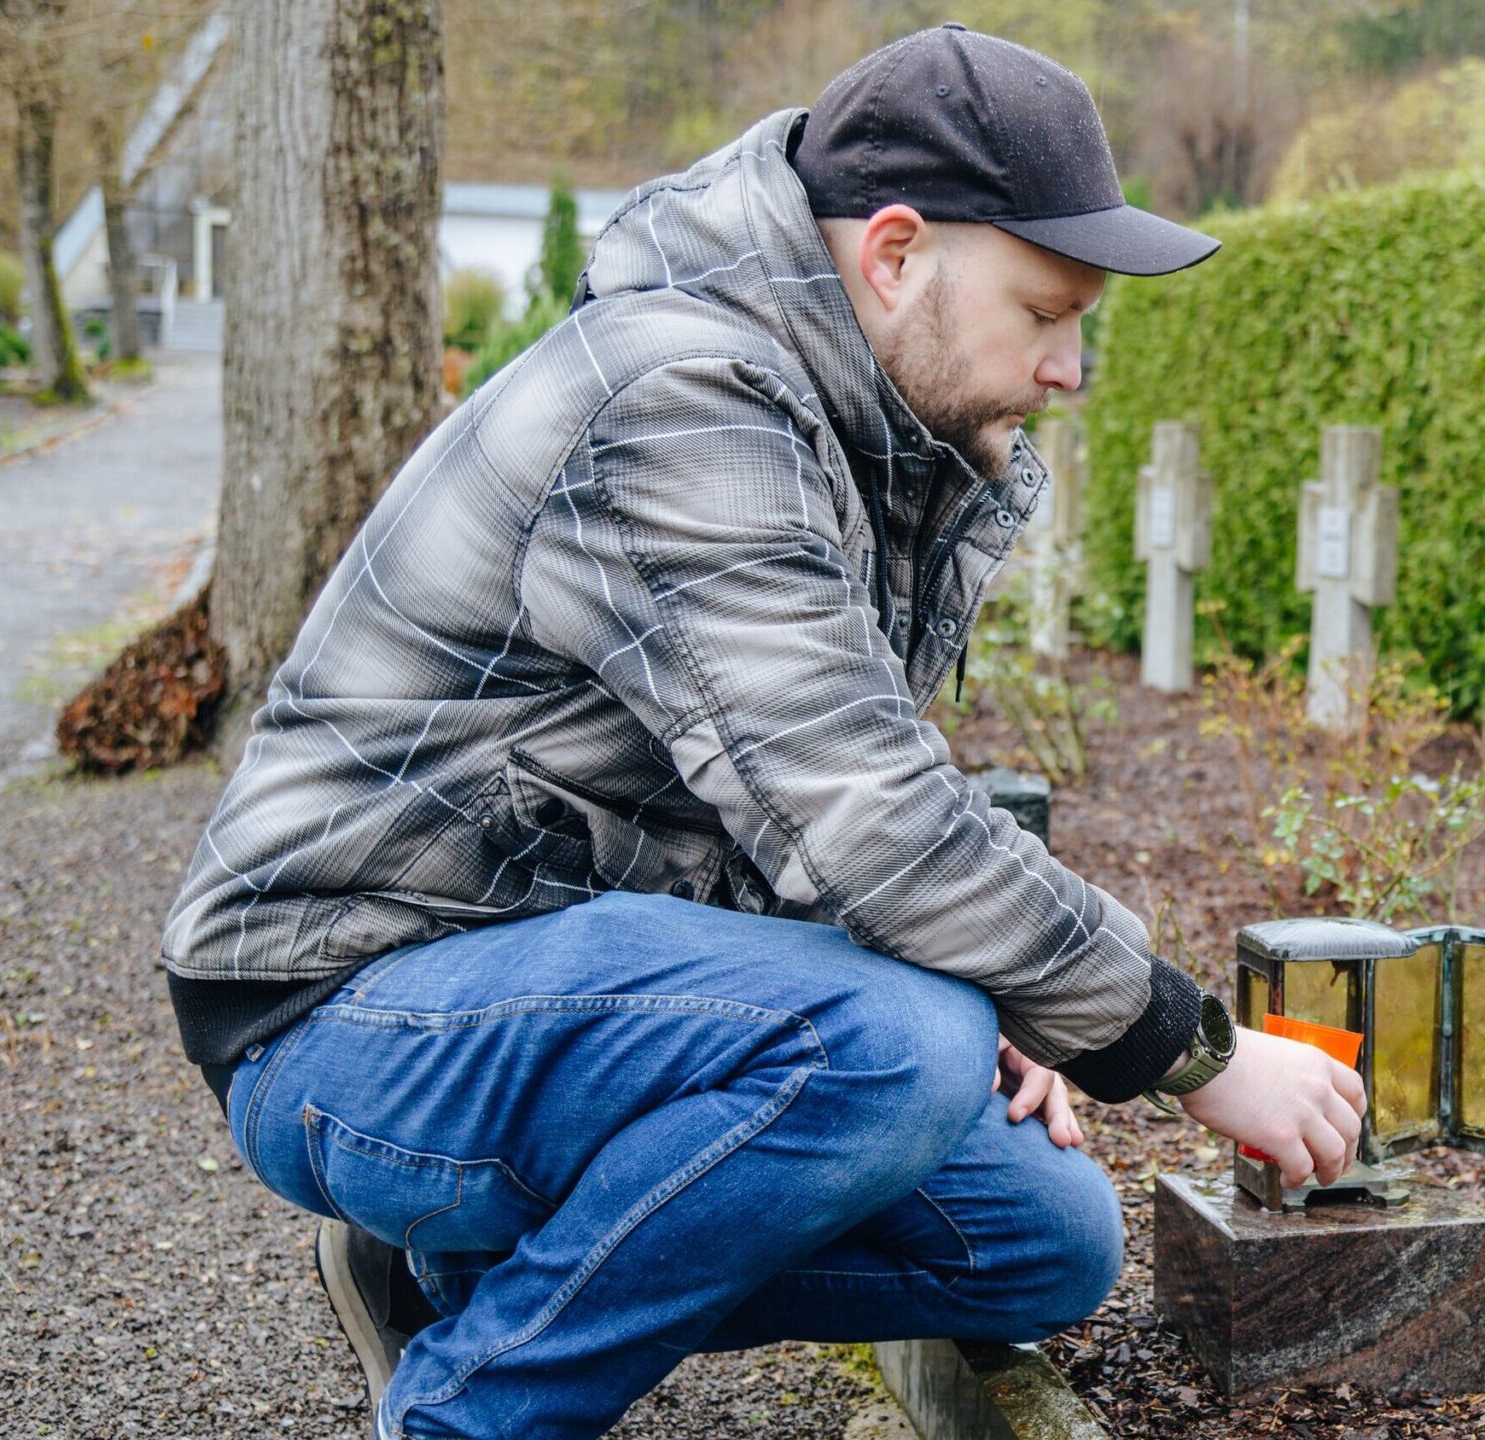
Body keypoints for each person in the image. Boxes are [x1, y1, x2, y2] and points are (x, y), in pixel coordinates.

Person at [161, 25, 1365, 1440]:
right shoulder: (684, 400)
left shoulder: (854, 421)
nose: (1070, 370)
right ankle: (469, 1411)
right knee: (901, 1043)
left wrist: (1017, 988)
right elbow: (871, 824)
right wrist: (1197, 1052)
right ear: (898, 252)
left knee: (1043, 1241)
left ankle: (455, 1271)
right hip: (346, 1006)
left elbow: (814, 795)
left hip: (560, 977)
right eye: (1046, 312)